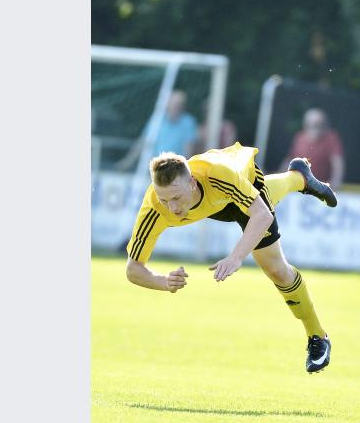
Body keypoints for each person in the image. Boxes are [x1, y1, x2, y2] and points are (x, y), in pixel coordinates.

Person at [125, 142, 338, 373]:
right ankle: (300, 176)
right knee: (237, 203)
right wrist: (163, 282)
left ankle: (317, 336)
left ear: (192, 182)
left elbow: (262, 215)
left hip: (242, 182)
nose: (172, 207)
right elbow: (133, 269)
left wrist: (236, 257)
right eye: (164, 199)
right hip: (216, 202)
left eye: (176, 197)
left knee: (276, 270)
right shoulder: (155, 207)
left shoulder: (219, 175)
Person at [116, 90, 198, 171]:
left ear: (183, 107)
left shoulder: (188, 122)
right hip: (154, 167)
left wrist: (185, 171)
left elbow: (189, 149)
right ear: (167, 105)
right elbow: (143, 141)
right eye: (173, 104)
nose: (175, 107)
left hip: (175, 170)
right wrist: (127, 162)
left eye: (178, 105)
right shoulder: (158, 119)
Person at [281, 108, 345, 189]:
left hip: (323, 187)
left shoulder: (331, 138)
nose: (316, 128)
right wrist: (282, 176)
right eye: (313, 124)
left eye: (320, 124)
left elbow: (337, 161)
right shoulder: (299, 137)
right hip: (300, 185)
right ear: (306, 125)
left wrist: (336, 181)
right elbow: (290, 159)